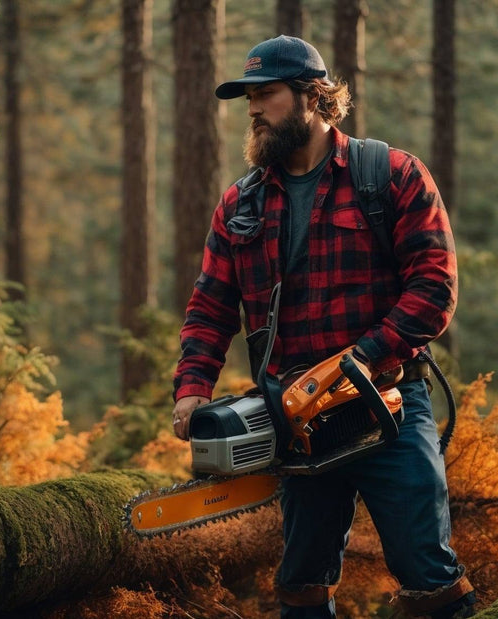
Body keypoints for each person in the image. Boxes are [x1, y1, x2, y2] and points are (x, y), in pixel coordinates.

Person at [170, 36, 475, 618]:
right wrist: (191, 392)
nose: (254, 109)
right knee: (302, 581)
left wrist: (362, 357)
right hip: (298, 417)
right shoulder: (242, 204)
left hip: (388, 404)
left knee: (428, 573)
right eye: (249, 98)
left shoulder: (390, 175)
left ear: (313, 96)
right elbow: (210, 309)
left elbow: (434, 286)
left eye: (267, 94)